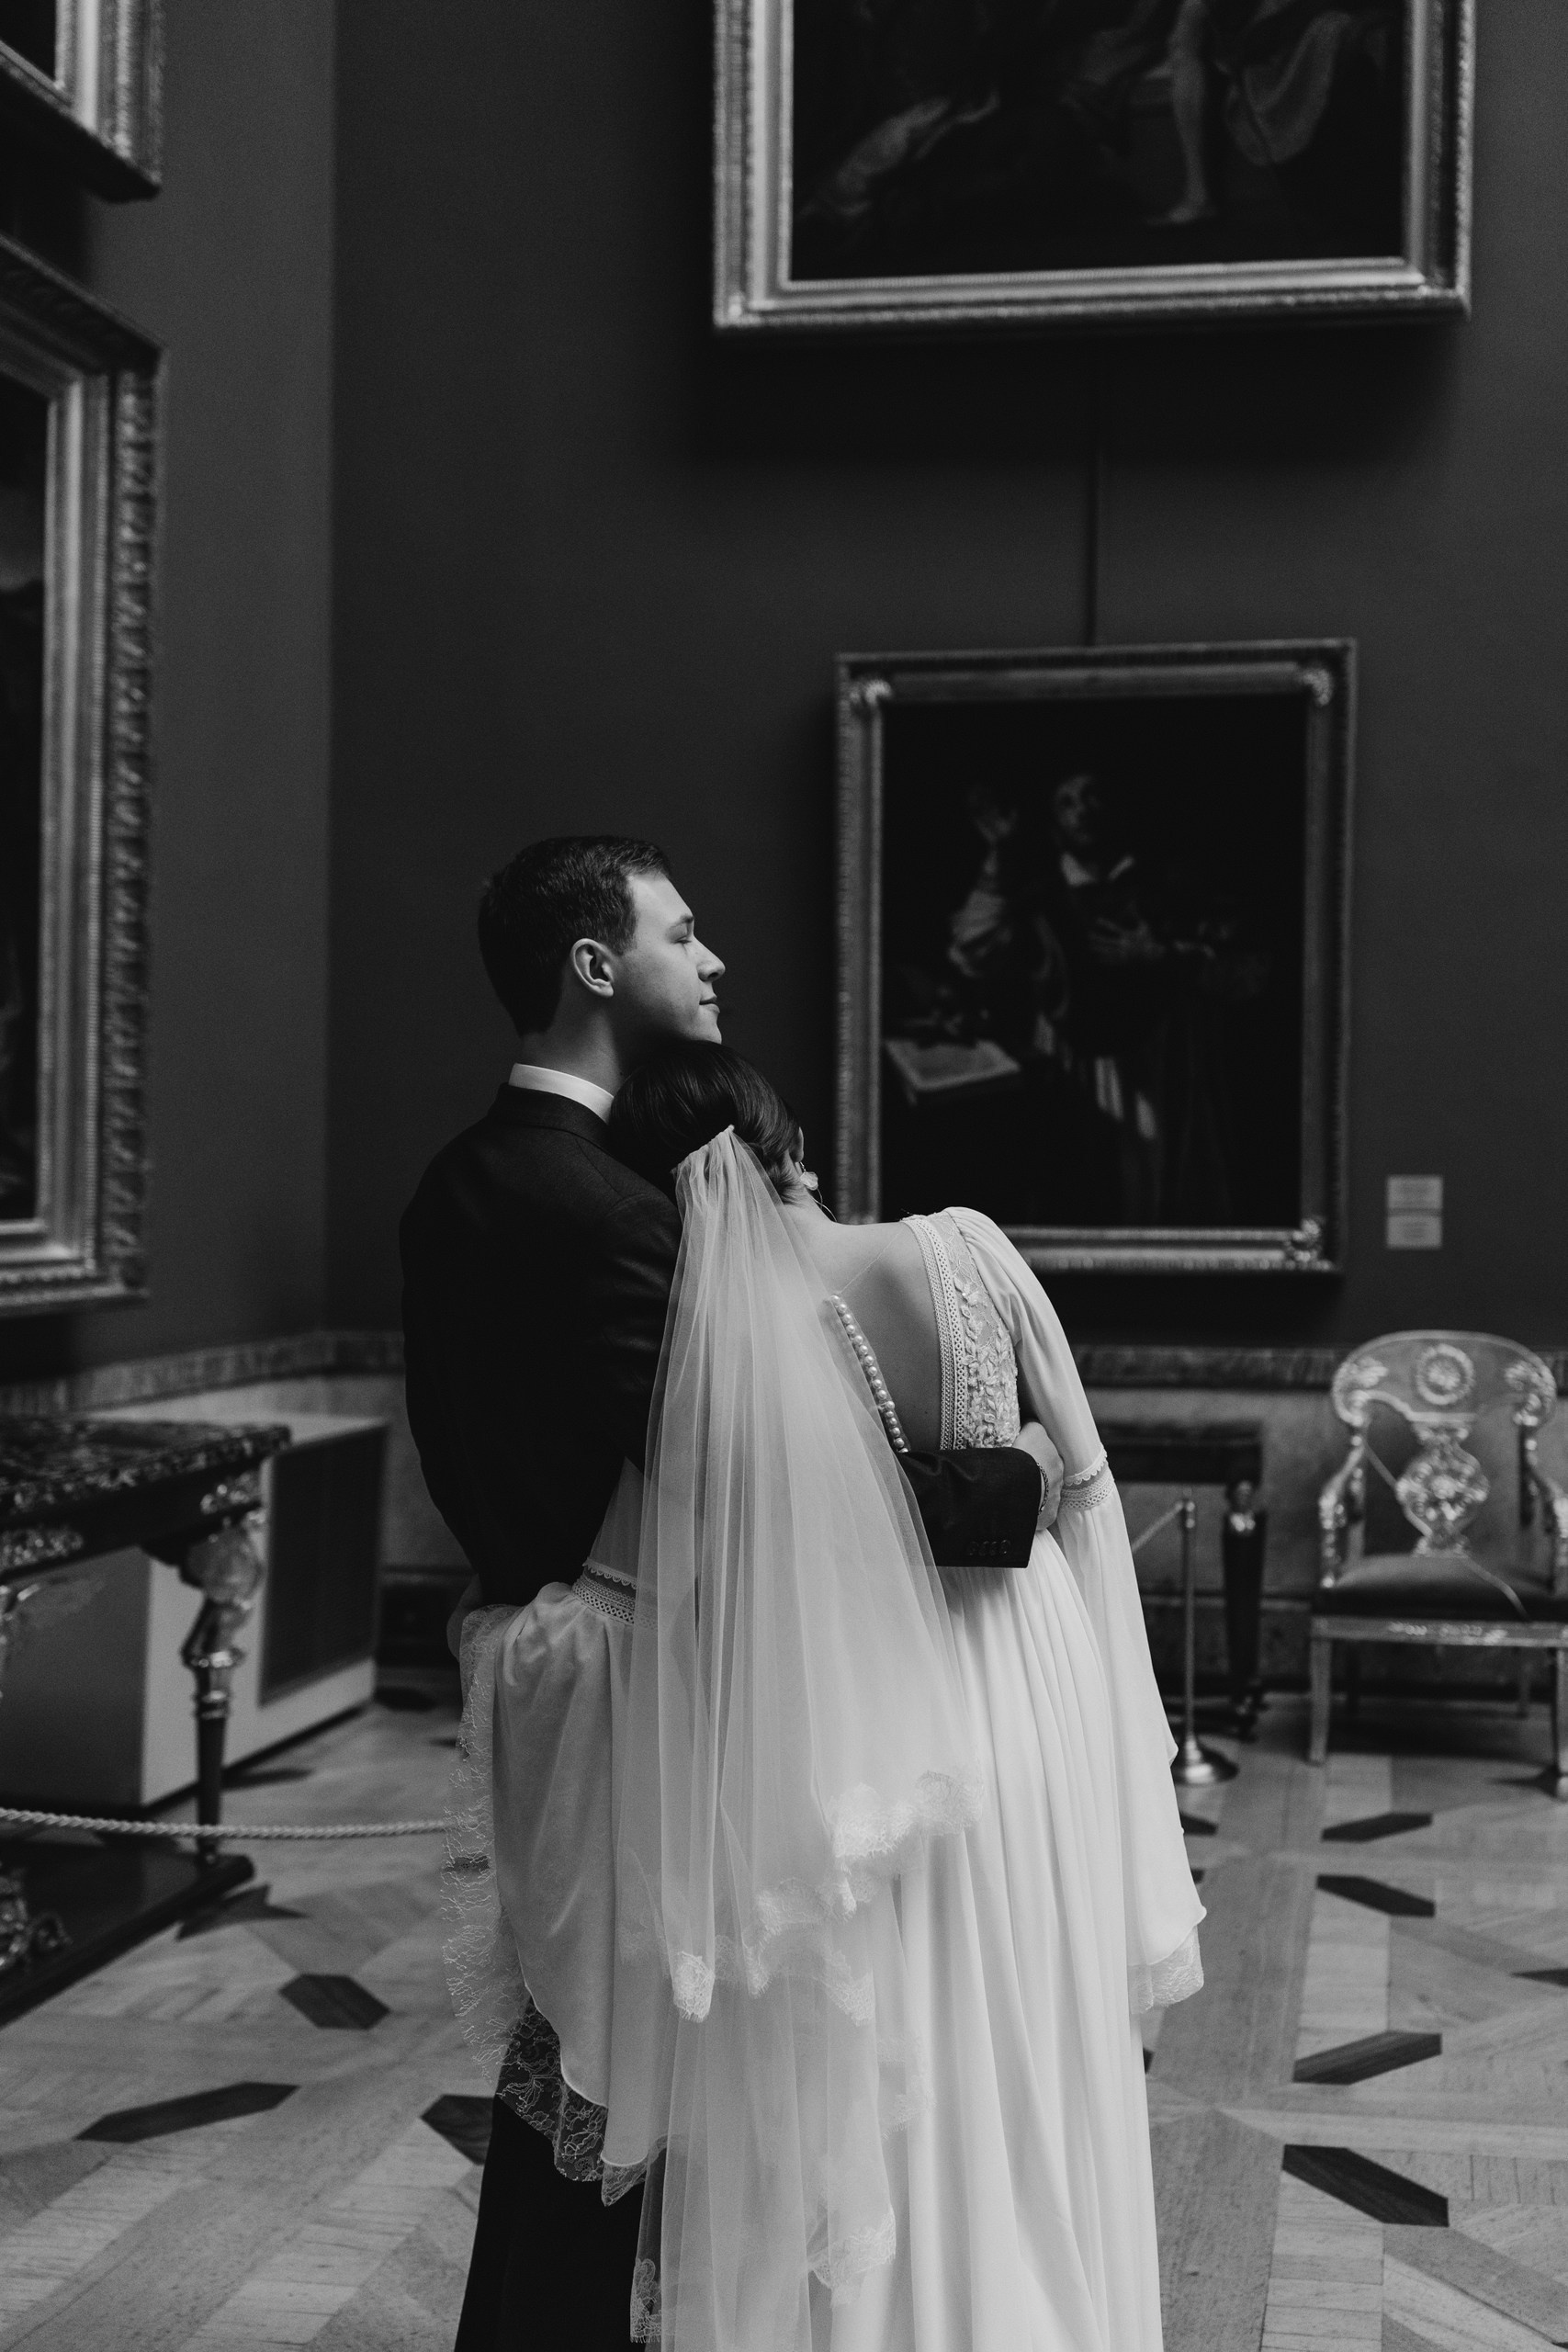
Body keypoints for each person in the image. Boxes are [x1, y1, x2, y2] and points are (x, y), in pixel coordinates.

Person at [400, 836, 1051, 2350]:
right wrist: (1014, 1483)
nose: (713, 963)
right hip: (641, 1696)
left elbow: (468, 1455)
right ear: (592, 964)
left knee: (578, 2071)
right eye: (680, 935)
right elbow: (774, 1493)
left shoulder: (458, 1183)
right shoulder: (617, 1214)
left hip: (533, 1659)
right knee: (647, 2075)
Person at [584, 1043, 1205, 2350]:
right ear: (793, 1147)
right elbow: (1088, 1493)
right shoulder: (967, 1250)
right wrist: (1110, 1711)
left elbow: (738, 1572)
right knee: (1027, 2002)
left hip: (846, 1710)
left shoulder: (714, 1349)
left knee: (899, 2016)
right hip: (1018, 1676)